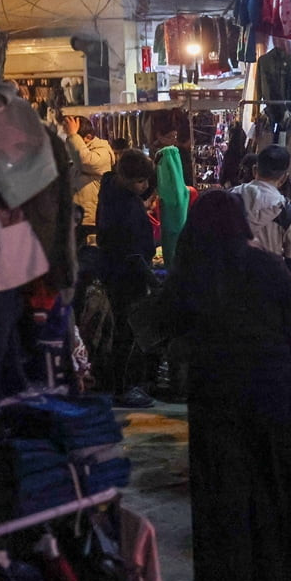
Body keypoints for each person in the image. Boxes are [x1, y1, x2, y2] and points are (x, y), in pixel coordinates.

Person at [155, 190, 291, 581]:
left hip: (215, 394)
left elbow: (163, 330)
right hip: (274, 389)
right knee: (281, 486)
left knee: (223, 493)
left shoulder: (190, 274)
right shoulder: (267, 268)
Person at [94, 149, 157, 408]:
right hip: (126, 275)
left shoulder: (109, 187)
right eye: (140, 181)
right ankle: (122, 388)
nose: (144, 187)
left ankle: (122, 384)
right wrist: (152, 280)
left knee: (122, 327)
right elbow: (131, 249)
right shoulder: (125, 204)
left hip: (113, 268)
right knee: (126, 330)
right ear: (127, 177)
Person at [232, 144, 291, 285]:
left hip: (224, 290)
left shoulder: (226, 200)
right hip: (266, 293)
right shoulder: (289, 215)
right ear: (284, 178)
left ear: (254, 170)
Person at [63, 115, 114, 244]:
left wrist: (73, 135)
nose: (70, 141)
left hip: (91, 221)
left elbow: (85, 161)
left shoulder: (102, 152)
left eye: (74, 138)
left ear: (89, 137)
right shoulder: (77, 155)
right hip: (76, 219)